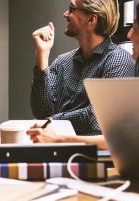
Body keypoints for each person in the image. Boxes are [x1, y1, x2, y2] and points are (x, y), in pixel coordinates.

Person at [27, 2, 139, 150]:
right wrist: (42, 55)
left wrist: (53, 121)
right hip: (57, 152)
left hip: (94, 157)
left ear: (91, 19)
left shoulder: (118, 60)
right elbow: (41, 113)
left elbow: (97, 118)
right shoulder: (63, 61)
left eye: (72, 9)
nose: (65, 14)